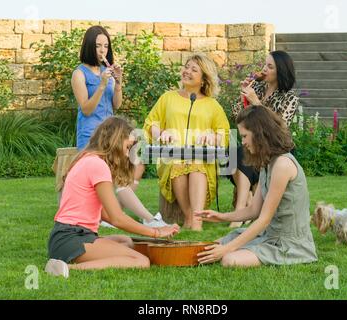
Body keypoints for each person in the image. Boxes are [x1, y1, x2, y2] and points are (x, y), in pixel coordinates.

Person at [45, 117, 180, 278]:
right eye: (127, 146)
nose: (127, 153)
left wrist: (152, 230)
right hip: (72, 238)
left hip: (64, 237)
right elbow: (117, 218)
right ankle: (65, 268)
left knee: (126, 242)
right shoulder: (98, 165)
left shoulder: (87, 159)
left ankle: (71, 260)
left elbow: (105, 215)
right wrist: (155, 232)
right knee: (140, 261)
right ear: (115, 140)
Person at [195, 106, 317, 267]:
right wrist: (221, 216)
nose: (243, 143)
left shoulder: (282, 164)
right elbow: (254, 210)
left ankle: (238, 249)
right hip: (268, 235)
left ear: (260, 134)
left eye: (245, 136)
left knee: (229, 259)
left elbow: (264, 219)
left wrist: (227, 249)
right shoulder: (267, 163)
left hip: (289, 244)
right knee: (211, 246)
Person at [70, 25, 163, 228]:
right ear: (88, 46)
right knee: (109, 175)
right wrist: (102, 85)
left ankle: (116, 214)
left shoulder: (106, 71)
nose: (102, 50)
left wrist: (118, 82)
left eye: (105, 45)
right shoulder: (79, 74)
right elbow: (86, 109)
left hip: (112, 134)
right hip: (92, 135)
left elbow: (116, 105)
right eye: (97, 46)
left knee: (132, 166)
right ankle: (144, 219)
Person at [143, 54, 230, 231]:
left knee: (195, 162)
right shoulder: (168, 98)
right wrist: (161, 132)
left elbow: (225, 133)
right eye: (186, 67)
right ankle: (189, 216)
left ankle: (195, 222)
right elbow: (150, 123)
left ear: (204, 79)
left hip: (202, 161)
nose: (187, 71)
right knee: (178, 163)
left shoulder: (213, 105)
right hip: (172, 158)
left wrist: (213, 137)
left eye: (193, 69)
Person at [228, 50, 300, 228]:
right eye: (264, 65)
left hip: (277, 146)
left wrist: (256, 103)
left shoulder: (290, 97)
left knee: (246, 153)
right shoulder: (258, 89)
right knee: (235, 153)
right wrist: (243, 94)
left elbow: (278, 127)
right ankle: (243, 206)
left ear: (281, 71)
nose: (264, 69)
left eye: (270, 66)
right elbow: (238, 115)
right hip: (253, 143)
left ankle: (245, 209)